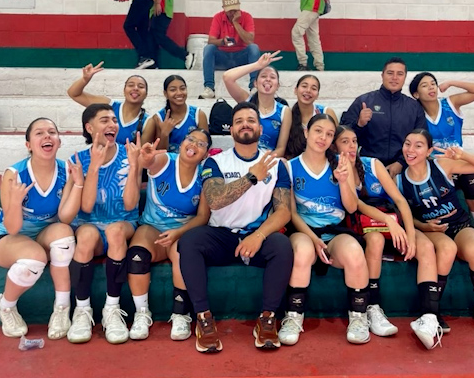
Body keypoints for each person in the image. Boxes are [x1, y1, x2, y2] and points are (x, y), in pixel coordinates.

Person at [175, 103, 294, 353]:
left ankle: (267, 319)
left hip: (255, 236)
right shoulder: (216, 161)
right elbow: (215, 200)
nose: (245, 124)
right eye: (239, 121)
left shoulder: (275, 164)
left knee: (282, 245)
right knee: (189, 241)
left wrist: (259, 236)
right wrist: (252, 177)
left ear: (260, 128)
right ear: (231, 130)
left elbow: (283, 211)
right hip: (221, 236)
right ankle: (204, 319)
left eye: (250, 120)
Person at [334, 126, 438, 342]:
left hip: (392, 219)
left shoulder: (372, 164)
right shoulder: (338, 169)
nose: (351, 146)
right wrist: (387, 221)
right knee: (375, 239)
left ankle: (429, 317)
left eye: (354, 141)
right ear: (335, 146)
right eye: (345, 141)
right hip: (366, 223)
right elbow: (357, 205)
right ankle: (372, 307)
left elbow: (400, 200)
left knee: (426, 246)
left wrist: (410, 235)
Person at [395, 130, 474, 338]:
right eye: (407, 144)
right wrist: (424, 226)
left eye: (418, 145)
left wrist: (463, 155)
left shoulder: (441, 165)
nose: (411, 149)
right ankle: (433, 311)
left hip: (459, 224)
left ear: (429, 151)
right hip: (432, 229)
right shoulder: (399, 181)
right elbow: (402, 216)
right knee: (446, 249)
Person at [0, 118, 83, 340]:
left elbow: (65, 217)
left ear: (59, 141)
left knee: (64, 235)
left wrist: (78, 183)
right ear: (28, 144)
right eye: (39, 133)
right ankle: (6, 306)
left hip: (44, 234)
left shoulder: (66, 170)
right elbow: (12, 228)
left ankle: (61, 308)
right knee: (34, 258)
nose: (47, 136)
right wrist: (15, 202)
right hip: (8, 237)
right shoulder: (14, 174)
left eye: (52, 132)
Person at [280, 114, 371, 345]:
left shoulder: (341, 163)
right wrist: (314, 239)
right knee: (302, 251)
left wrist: (343, 181)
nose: (323, 137)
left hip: (336, 232)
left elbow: (351, 207)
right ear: (306, 132)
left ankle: (359, 317)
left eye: (329, 134)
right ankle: (293, 316)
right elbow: (291, 213)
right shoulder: (290, 167)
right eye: (318, 131)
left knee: (354, 252)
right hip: (305, 232)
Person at [66, 104, 143, 344]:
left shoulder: (130, 154)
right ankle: (82, 310)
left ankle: (112, 308)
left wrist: (134, 166)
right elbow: (86, 206)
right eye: (104, 120)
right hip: (90, 224)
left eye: (114, 120)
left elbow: (130, 204)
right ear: (89, 128)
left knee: (115, 231)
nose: (112, 124)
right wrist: (94, 166)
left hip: (122, 222)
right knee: (86, 235)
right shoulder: (78, 160)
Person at [127, 128, 212, 341]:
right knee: (137, 255)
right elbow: (150, 162)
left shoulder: (205, 174)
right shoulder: (166, 160)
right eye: (190, 139)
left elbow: (203, 216)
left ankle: (180, 314)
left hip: (184, 230)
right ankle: (141, 313)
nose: (193, 145)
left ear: (206, 153)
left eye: (201, 144)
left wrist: (178, 232)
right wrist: (146, 159)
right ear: (181, 143)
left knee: (184, 255)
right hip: (153, 228)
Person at [409, 72, 474, 247]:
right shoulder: (415, 116)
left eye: (433, 83)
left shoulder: (449, 104)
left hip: (457, 160)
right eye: (424, 85)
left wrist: (451, 82)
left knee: (471, 179)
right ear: (416, 94)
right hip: (434, 165)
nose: (431, 87)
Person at [340, 57, 425, 177]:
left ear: (405, 77)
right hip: (368, 168)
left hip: (404, 169)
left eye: (399, 74)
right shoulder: (363, 101)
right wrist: (359, 124)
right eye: (390, 73)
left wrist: (401, 163)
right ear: (382, 75)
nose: (394, 77)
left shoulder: (414, 107)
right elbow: (342, 137)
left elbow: (422, 139)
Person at [199, 0, 262, 99]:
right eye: (229, 10)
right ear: (224, 9)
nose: (232, 13)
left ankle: (254, 87)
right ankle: (209, 88)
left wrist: (236, 23)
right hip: (223, 57)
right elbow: (211, 40)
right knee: (209, 48)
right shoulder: (218, 17)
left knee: (254, 48)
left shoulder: (246, 17)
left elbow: (250, 40)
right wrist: (222, 42)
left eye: (235, 10)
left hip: (241, 58)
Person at [67, 62, 149, 145]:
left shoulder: (148, 121)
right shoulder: (108, 105)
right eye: (131, 85)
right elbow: (74, 94)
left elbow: (143, 150)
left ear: (146, 94)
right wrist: (84, 80)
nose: (135, 88)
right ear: (124, 91)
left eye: (141, 86)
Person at [222, 50, 287, 151]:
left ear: (278, 85)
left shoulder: (284, 111)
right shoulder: (247, 101)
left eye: (272, 77)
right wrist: (257, 65)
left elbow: (281, 149)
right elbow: (227, 77)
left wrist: (263, 160)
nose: (268, 79)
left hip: (269, 159)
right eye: (263, 76)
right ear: (255, 83)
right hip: (244, 156)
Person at [142, 74, 208, 152]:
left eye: (182, 89)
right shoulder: (158, 118)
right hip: (167, 159)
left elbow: (205, 146)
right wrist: (164, 134)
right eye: (173, 90)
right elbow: (159, 152)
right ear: (165, 94)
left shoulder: (198, 115)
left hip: (192, 158)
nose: (179, 93)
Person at [279, 73, 336, 158]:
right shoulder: (288, 115)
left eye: (313, 88)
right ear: (295, 90)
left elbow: (336, 143)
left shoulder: (326, 112)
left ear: (317, 95)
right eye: (304, 86)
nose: (308, 90)